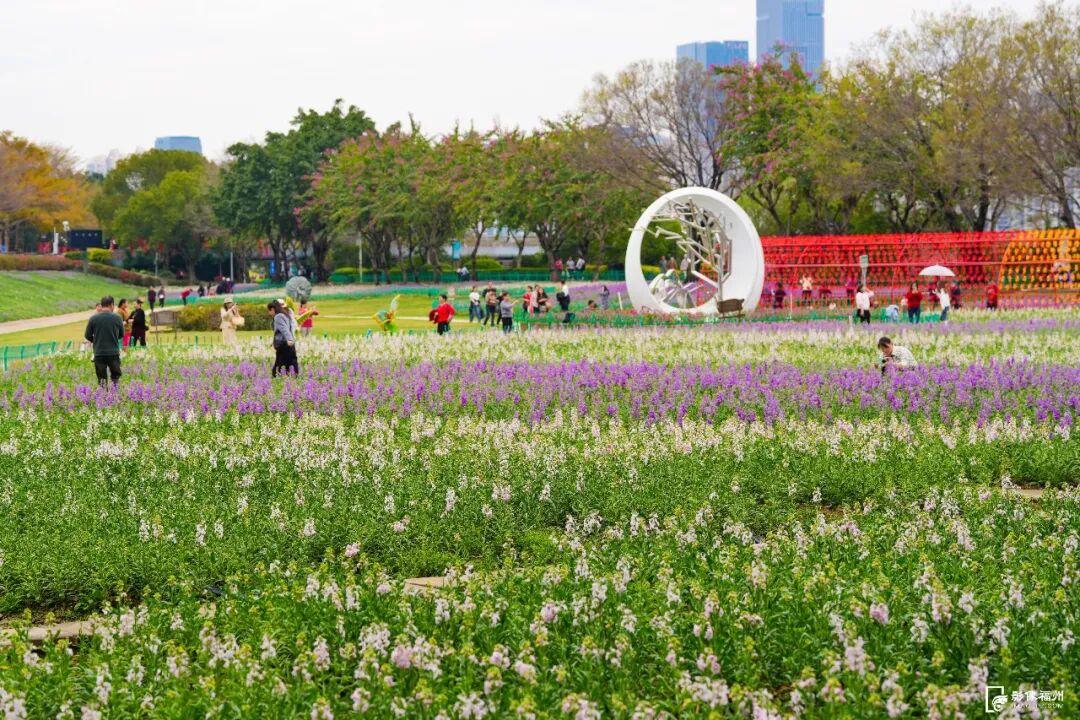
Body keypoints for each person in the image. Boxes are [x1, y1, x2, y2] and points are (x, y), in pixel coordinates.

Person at [84, 296, 124, 388]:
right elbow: (121, 334)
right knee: (115, 376)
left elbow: (87, 335)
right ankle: (114, 394)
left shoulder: (93, 318)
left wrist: (97, 340)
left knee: (101, 378)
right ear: (111, 305)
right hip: (113, 352)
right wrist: (112, 337)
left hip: (99, 352)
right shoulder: (117, 318)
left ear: (101, 305)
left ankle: (103, 397)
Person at [268, 300, 298, 377]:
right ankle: (293, 376)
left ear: (273, 309)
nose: (269, 313)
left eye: (269, 311)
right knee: (291, 361)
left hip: (284, 344)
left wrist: (289, 339)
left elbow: (284, 329)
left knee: (280, 363)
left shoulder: (278, 317)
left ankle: (278, 377)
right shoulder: (285, 314)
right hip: (289, 343)